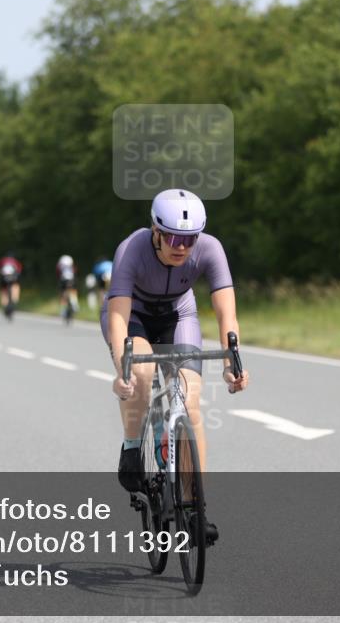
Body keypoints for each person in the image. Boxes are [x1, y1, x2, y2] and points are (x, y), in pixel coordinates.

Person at [101, 189, 250, 543]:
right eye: (171, 237)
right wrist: (122, 367)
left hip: (178, 315)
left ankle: (194, 507)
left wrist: (234, 361)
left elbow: (226, 313)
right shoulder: (131, 249)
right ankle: (133, 445)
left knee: (191, 403)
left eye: (188, 239)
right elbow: (119, 315)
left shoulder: (210, 249)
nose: (180, 246)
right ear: (155, 231)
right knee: (141, 373)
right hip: (133, 316)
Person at [0, 252, 23, 320]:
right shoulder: (15, 261)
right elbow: (19, 270)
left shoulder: (2, 260)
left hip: (4, 278)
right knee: (16, 287)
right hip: (14, 278)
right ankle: (15, 300)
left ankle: (4, 305)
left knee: (4, 292)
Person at [57, 254, 79, 321]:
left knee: (63, 293)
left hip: (63, 280)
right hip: (71, 280)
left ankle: (63, 309)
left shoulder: (60, 265)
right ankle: (75, 303)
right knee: (73, 290)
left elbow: (58, 274)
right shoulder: (71, 265)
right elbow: (75, 272)